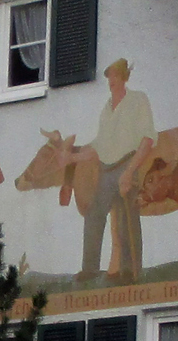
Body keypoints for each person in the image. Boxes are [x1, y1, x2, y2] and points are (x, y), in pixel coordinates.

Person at [64, 59, 156, 281]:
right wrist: (72, 157)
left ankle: (130, 271)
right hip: (106, 170)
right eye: (109, 77)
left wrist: (129, 172)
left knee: (127, 218)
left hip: (127, 163)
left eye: (115, 76)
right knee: (94, 214)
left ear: (124, 77)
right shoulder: (106, 109)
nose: (111, 81)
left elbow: (147, 139)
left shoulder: (138, 100)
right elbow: (98, 146)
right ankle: (90, 269)